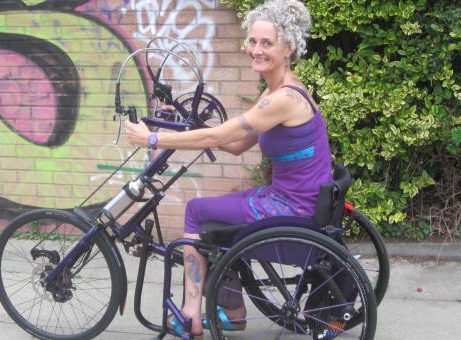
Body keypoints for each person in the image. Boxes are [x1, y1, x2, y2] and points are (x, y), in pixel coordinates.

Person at [125, 0, 332, 337]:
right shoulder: (280, 90)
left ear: (288, 48)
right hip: (295, 199)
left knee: (195, 211)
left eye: (267, 43)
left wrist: (153, 139)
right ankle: (231, 308)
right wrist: (189, 129)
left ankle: (191, 314)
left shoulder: (282, 99)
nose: (256, 50)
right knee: (220, 214)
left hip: (292, 207)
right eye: (253, 41)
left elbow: (224, 135)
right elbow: (235, 145)